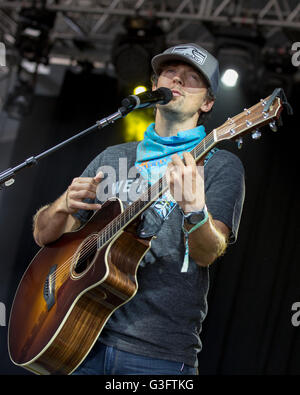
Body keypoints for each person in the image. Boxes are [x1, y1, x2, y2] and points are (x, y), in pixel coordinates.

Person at [33, 43, 245, 375]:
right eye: (169, 73)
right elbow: (44, 235)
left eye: (191, 79)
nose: (176, 81)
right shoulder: (113, 157)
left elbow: (208, 252)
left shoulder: (219, 165)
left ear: (208, 102)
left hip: (157, 351)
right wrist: (61, 205)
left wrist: (194, 209)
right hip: (78, 335)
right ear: (155, 85)